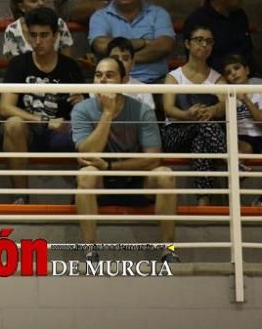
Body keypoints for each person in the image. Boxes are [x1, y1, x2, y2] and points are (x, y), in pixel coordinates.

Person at [72, 57, 177, 263]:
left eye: (109, 76)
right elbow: (86, 153)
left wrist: (111, 166)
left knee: (166, 175)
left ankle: (169, 250)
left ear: (123, 80)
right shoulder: (82, 109)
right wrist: (108, 113)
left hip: (135, 179)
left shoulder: (141, 110)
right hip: (100, 180)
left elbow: (153, 158)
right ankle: (91, 252)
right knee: (85, 176)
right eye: (98, 75)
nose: (102, 80)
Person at [0, 7, 85, 204]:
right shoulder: (19, 64)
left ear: (55, 36)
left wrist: (83, 102)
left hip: (62, 131)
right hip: (28, 131)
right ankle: (20, 197)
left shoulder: (70, 67)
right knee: (13, 123)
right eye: (33, 35)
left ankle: (82, 194)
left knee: (88, 128)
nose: (37, 42)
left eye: (44, 35)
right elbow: (5, 107)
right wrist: (45, 121)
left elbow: (85, 110)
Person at [160, 23, 228, 205]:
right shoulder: (174, 76)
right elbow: (168, 109)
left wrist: (212, 110)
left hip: (204, 134)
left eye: (209, 41)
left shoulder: (217, 78)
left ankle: (203, 200)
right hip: (175, 133)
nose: (204, 45)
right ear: (188, 44)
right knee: (203, 124)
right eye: (199, 40)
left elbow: (225, 105)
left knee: (200, 142)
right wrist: (188, 114)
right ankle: (229, 161)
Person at [88, 0, 175, 84]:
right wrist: (144, 42)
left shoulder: (159, 14)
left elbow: (164, 46)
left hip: (155, 82)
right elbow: (101, 45)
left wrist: (123, 58)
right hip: (115, 83)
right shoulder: (100, 16)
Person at [221, 53, 262, 207]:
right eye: (228, 72)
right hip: (241, 139)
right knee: (230, 155)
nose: (233, 73)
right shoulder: (226, 95)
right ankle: (234, 205)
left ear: (246, 70)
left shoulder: (260, 90)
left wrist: (245, 99)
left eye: (236, 68)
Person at [181, 0, 254, 73]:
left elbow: (247, 52)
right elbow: (197, 61)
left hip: (244, 78)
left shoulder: (240, 16)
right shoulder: (197, 20)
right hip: (210, 82)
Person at [2, 0, 74, 58]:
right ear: (22, 7)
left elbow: (68, 62)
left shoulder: (59, 23)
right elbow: (13, 66)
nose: (41, 3)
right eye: (34, 0)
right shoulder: (12, 30)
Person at [104, 37, 156, 111]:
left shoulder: (144, 90)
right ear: (107, 61)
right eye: (115, 58)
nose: (120, 62)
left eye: (125, 59)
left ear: (132, 63)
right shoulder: (95, 88)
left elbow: (148, 120)